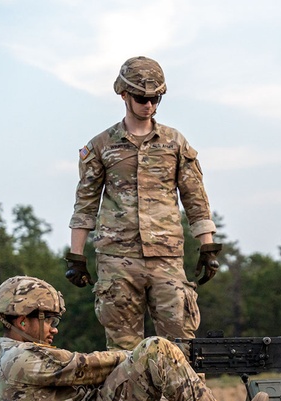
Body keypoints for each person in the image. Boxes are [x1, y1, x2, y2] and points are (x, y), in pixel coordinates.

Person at [0, 275, 269, 401]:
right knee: (155, 348)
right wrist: (146, 357)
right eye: (48, 320)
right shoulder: (19, 359)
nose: (54, 329)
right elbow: (85, 366)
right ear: (23, 320)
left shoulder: (17, 358)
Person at [65, 56, 222, 351]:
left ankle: (188, 399)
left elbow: (195, 198)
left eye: (155, 98)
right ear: (124, 94)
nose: (148, 105)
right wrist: (76, 256)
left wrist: (207, 247)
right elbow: (85, 203)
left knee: (182, 347)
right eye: (141, 97)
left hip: (166, 257)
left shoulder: (175, 143)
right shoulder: (101, 146)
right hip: (116, 259)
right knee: (123, 353)